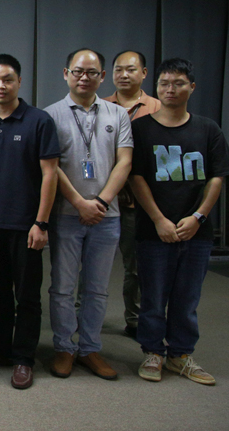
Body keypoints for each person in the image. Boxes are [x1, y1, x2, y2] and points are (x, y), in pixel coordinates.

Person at [130, 58, 229, 385]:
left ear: (192, 87)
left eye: (178, 83)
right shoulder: (141, 129)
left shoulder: (208, 129)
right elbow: (136, 177)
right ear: (156, 86)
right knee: (153, 297)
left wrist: (198, 217)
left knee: (187, 298)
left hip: (197, 232)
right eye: (164, 84)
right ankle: (153, 352)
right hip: (153, 230)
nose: (170, 89)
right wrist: (158, 219)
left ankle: (181, 354)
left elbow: (216, 177)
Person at [0, 54, 60, 390]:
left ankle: (24, 358)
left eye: (7, 80)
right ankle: (0, 349)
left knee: (27, 296)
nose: (0, 86)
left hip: (26, 226)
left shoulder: (39, 121)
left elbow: (50, 174)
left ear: (19, 81)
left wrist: (42, 223)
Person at [44, 48, 133, 380]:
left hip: (107, 217)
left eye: (91, 72)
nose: (84, 77)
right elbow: (51, 166)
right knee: (63, 287)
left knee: (96, 288)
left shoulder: (118, 114)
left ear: (102, 77)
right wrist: (81, 202)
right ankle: (64, 347)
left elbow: (125, 161)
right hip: (66, 214)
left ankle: (90, 348)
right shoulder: (50, 115)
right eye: (78, 71)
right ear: (66, 73)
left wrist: (102, 202)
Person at [103, 50, 161, 339]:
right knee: (92, 266)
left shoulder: (158, 107)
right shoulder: (100, 106)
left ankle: (135, 319)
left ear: (144, 73)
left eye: (131, 69)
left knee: (137, 267)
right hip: (107, 201)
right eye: (118, 69)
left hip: (144, 203)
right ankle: (81, 316)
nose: (124, 75)